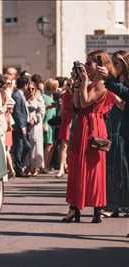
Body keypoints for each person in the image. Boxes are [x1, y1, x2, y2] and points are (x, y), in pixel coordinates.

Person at [63, 50, 116, 223]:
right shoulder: (91, 83)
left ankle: (96, 209)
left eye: (89, 63)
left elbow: (86, 102)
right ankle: (75, 207)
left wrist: (84, 82)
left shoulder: (102, 84)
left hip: (94, 126)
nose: (86, 65)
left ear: (100, 65)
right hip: (82, 125)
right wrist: (78, 86)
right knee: (78, 166)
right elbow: (78, 105)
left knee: (94, 169)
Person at [97, 50, 129, 217]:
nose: (114, 65)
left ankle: (121, 204)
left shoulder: (117, 83)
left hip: (123, 128)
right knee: (112, 168)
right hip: (111, 126)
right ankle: (112, 204)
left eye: (117, 63)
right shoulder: (113, 82)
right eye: (113, 62)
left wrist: (112, 91)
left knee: (123, 167)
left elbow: (124, 103)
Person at [12, 76, 32, 177]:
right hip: (20, 126)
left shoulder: (21, 94)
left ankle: (19, 166)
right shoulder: (16, 95)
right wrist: (21, 125)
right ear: (25, 85)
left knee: (25, 146)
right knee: (21, 147)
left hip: (24, 124)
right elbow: (17, 112)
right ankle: (19, 167)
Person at [25, 81, 45, 176]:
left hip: (36, 124)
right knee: (28, 144)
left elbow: (41, 111)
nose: (30, 91)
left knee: (36, 143)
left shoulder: (39, 98)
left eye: (32, 89)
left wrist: (36, 119)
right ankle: (28, 165)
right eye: (28, 89)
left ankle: (36, 166)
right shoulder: (25, 98)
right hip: (27, 123)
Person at [56, 79, 74, 178]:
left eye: (71, 85)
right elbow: (62, 109)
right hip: (66, 120)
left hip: (74, 120)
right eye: (68, 84)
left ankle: (69, 166)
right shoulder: (64, 95)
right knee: (63, 146)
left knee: (72, 147)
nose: (70, 86)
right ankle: (61, 168)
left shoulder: (77, 94)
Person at [42, 79, 59, 173]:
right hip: (47, 123)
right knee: (49, 144)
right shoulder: (44, 96)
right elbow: (42, 108)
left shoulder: (51, 96)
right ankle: (44, 166)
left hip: (52, 123)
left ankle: (47, 165)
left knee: (51, 144)